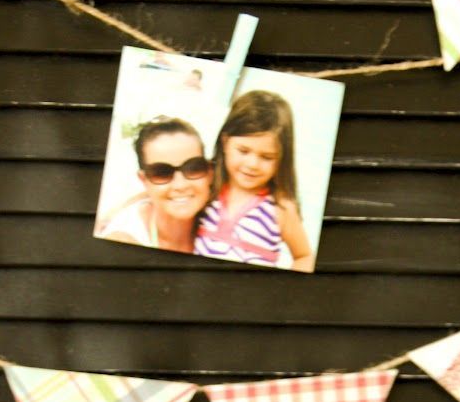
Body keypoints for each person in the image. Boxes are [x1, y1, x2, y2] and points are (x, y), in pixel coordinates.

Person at [194, 89, 313, 270]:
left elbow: (304, 256)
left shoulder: (281, 208)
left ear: (281, 158)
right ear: (225, 142)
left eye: (267, 157)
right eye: (243, 151)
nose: (253, 164)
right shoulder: (206, 186)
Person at [96, 117, 212, 252]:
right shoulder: (124, 240)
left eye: (194, 168)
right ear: (143, 180)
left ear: (210, 173)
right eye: (161, 173)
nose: (180, 185)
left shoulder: (220, 214)